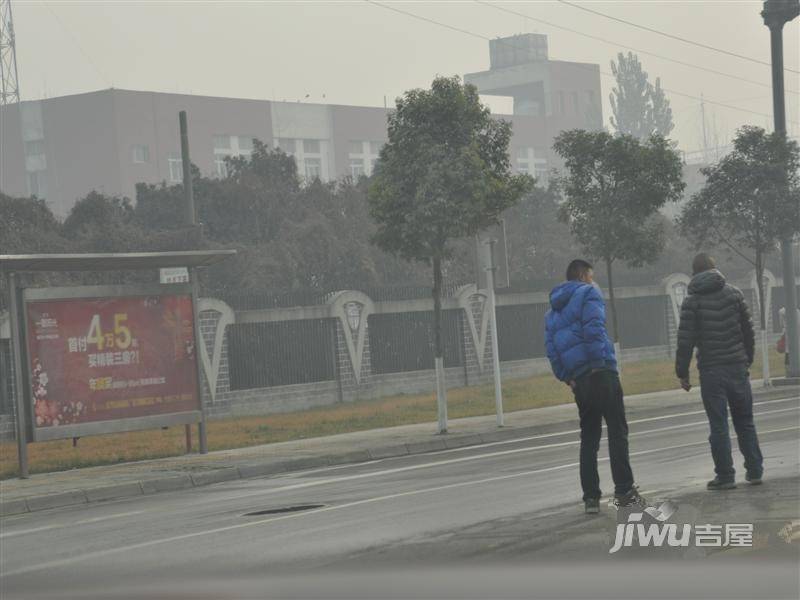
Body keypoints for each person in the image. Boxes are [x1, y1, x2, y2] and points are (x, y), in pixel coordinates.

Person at [545, 259, 645, 515]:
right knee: (617, 430)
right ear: (582, 275)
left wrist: (567, 377)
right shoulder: (588, 293)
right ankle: (624, 490)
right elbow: (594, 329)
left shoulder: (552, 312)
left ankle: (591, 497)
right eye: (591, 274)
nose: (593, 278)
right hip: (600, 372)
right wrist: (599, 363)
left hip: (579, 379)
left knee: (589, 437)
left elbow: (552, 350)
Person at [675, 253, 763, 490]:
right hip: (737, 366)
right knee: (745, 421)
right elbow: (748, 331)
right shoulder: (734, 294)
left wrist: (682, 373)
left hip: (712, 371)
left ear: (694, 273)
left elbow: (685, 341)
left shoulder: (692, 302)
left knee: (719, 424)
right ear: (715, 269)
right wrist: (748, 359)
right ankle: (755, 471)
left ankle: (725, 476)